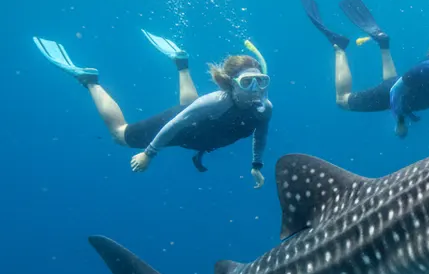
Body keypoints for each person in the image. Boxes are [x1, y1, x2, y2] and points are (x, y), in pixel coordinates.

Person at [33, 30, 272, 185]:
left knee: (190, 106)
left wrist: (256, 165)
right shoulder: (213, 103)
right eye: (247, 82)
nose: (255, 89)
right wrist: (148, 154)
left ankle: (181, 63)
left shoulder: (264, 108)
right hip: (181, 128)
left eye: (260, 81)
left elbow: (260, 136)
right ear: (230, 84)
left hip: (198, 128)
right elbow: (176, 123)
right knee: (120, 134)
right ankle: (90, 81)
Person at [300, 0, 429, 147]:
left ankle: (383, 43)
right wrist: (400, 121)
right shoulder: (422, 71)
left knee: (392, 80)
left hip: (401, 87)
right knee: (342, 101)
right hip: (391, 94)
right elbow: (394, 92)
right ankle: (339, 48)